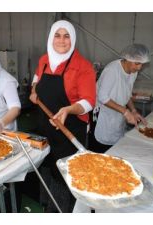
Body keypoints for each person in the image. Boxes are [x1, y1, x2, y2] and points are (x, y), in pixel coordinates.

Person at [29, 20, 96, 213]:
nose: (61, 40)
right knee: (46, 168)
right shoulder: (44, 60)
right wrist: (34, 89)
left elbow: (88, 102)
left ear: (73, 39)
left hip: (70, 130)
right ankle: (46, 205)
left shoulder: (83, 66)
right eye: (57, 35)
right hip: (45, 125)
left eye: (66, 36)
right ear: (51, 37)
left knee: (63, 175)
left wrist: (67, 110)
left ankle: (60, 211)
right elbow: (36, 78)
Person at [91, 43, 150, 152]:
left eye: (142, 64)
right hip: (103, 116)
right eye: (137, 63)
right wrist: (125, 112)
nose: (139, 67)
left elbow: (127, 94)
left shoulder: (133, 72)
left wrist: (133, 110)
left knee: (114, 149)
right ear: (128, 59)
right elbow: (102, 97)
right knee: (100, 152)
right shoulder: (112, 70)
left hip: (117, 116)